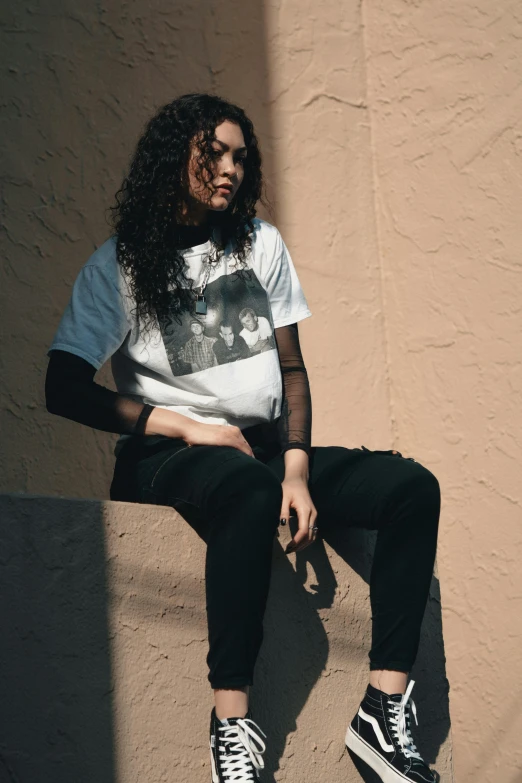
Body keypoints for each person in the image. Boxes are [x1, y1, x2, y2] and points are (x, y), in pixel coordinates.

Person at [45, 93, 441, 783]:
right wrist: (185, 425)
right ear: (177, 159)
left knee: (411, 489)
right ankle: (232, 725)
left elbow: (292, 370)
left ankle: (381, 708)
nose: (229, 168)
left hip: (261, 454)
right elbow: (64, 385)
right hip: (164, 455)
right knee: (247, 488)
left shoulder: (259, 244)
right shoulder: (121, 265)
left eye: (239, 156)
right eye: (213, 153)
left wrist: (295, 469)